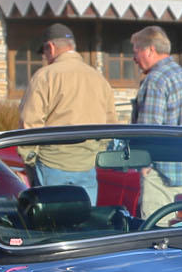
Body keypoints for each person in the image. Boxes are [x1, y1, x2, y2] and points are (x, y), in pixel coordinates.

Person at [19, 23, 117, 195]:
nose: (45, 58)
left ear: (50, 47)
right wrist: (96, 153)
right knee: (85, 219)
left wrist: (29, 158)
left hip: (53, 163)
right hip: (87, 164)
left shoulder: (45, 76)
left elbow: (30, 122)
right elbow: (111, 125)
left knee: (51, 220)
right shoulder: (98, 78)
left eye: (44, 53)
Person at [129, 26, 182, 217]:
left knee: (157, 236)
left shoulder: (156, 79)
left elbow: (147, 131)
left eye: (136, 51)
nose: (134, 58)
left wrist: (144, 167)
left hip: (161, 174)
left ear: (150, 50)